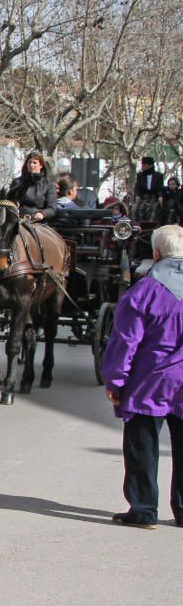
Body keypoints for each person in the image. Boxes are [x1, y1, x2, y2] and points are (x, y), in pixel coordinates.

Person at [101, 224, 183, 529]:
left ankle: (144, 510)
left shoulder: (143, 292)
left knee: (142, 444)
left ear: (157, 253)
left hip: (151, 381)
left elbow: (125, 341)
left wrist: (116, 381)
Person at [9, 151, 57, 220]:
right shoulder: (17, 182)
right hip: (18, 218)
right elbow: (11, 201)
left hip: (38, 221)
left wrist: (42, 213)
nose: (31, 165)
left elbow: (52, 208)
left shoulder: (48, 185)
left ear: (41, 165)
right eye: (29, 162)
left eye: (34, 163)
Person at [133, 156, 164, 223]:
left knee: (153, 209)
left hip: (154, 198)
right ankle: (138, 226)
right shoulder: (140, 175)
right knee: (136, 209)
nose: (142, 166)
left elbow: (160, 188)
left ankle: (151, 226)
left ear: (150, 165)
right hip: (143, 197)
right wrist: (137, 195)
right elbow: (137, 188)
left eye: (144, 164)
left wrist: (160, 197)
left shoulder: (158, 176)